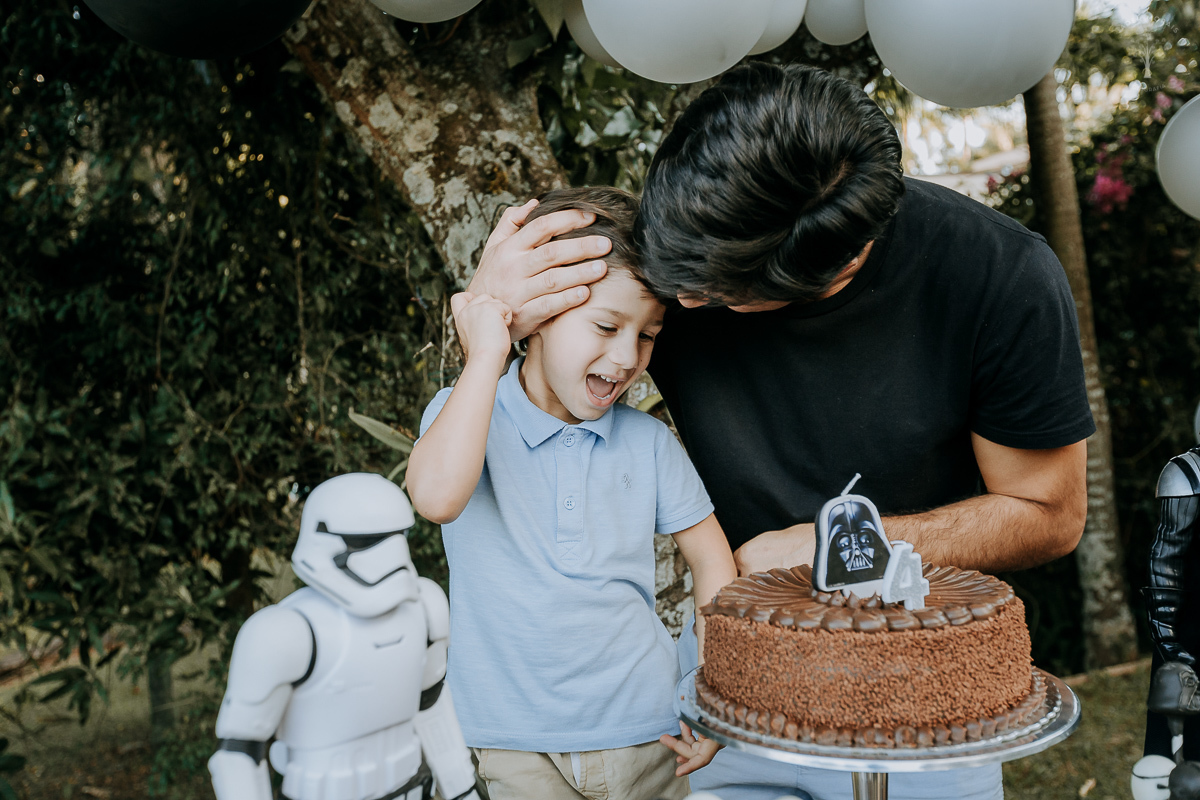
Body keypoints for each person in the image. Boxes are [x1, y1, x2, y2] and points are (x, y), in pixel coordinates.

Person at [466, 64, 1094, 800]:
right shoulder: (685, 245)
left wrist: (838, 546)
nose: (680, 299)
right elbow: (520, 385)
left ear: (833, 269)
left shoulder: (999, 277)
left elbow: (1050, 511)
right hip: (727, 688)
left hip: (918, 694)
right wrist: (489, 306)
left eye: (717, 291)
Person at [406, 187, 737, 800]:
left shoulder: (648, 442)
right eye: (607, 326)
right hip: (516, 745)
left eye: (647, 335)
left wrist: (716, 687)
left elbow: (712, 559)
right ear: (536, 319)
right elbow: (435, 499)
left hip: (651, 734)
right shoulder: (467, 415)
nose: (627, 356)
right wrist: (487, 350)